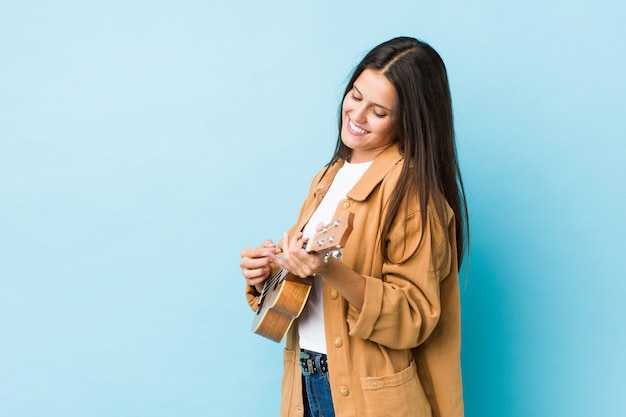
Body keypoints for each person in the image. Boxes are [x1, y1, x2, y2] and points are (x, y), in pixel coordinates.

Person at [240, 36, 468, 417]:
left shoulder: (412, 194)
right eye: (356, 96)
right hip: (305, 383)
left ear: (409, 119)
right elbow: (304, 293)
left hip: (369, 399)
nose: (357, 116)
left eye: (379, 111)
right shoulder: (327, 178)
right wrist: (267, 274)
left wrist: (331, 269)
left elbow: (414, 316)